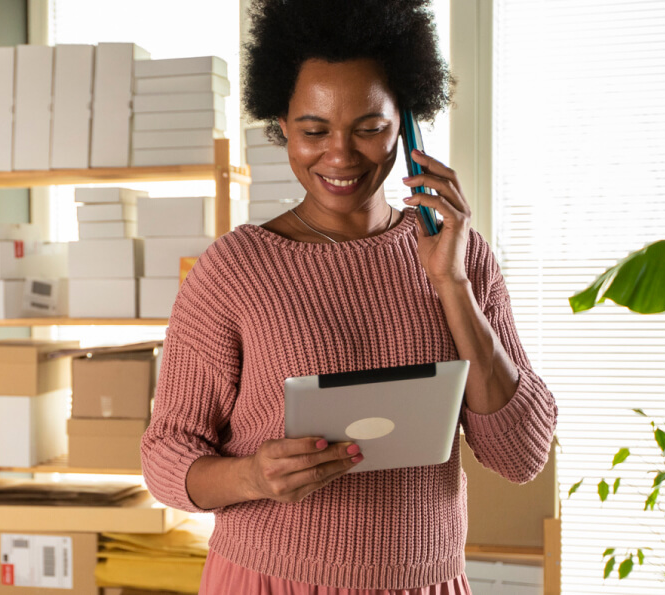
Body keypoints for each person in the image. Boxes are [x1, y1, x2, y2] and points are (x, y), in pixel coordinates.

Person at [140, 1, 559, 593]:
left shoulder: (463, 256)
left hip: (425, 581)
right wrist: (253, 478)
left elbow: (520, 456)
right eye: (314, 130)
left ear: (407, 123)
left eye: (369, 128)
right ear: (280, 123)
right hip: (269, 580)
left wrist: (451, 281)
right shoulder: (234, 272)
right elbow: (165, 458)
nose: (339, 155)